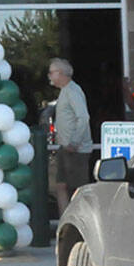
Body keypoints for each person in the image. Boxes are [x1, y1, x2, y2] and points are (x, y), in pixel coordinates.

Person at [47, 58, 92, 216]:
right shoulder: (65, 91)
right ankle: (64, 221)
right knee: (61, 186)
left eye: (51, 72)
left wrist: (75, 141)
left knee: (78, 189)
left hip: (76, 150)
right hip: (65, 148)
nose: (49, 76)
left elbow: (83, 117)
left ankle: (81, 221)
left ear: (60, 73)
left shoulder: (72, 91)